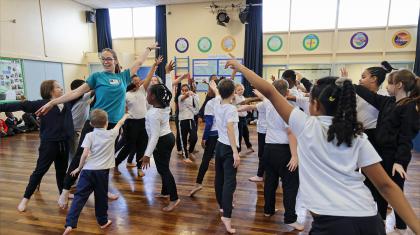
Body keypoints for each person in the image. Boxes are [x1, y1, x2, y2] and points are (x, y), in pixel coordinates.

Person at [225, 56, 420, 235]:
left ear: (315, 105)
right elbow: (386, 186)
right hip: (369, 220)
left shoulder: (305, 125)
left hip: (332, 224)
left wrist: (241, 67)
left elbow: (269, 90)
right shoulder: (357, 137)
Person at [36, 43, 159, 209]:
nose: (106, 61)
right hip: (94, 123)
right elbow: (76, 92)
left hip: (113, 125)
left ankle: (103, 189)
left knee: (107, 160)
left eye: (109, 58)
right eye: (103, 59)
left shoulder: (123, 77)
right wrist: (53, 102)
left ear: (115, 60)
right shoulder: (97, 77)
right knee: (81, 157)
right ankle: (65, 190)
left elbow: (138, 62)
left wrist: (149, 49)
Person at [353, 68, 420, 233]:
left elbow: (406, 138)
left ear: (399, 85)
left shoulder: (409, 107)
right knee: (380, 189)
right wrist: (350, 83)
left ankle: (402, 225)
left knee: (395, 191)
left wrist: (400, 161)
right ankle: (381, 219)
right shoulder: (389, 102)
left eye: (390, 83)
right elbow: (370, 96)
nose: (387, 86)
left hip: (395, 157)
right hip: (382, 154)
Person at [0, 80, 73, 212]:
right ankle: (25, 199)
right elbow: (17, 105)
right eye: (58, 87)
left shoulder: (66, 102)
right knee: (40, 171)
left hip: (64, 143)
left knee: (62, 171)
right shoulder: (40, 104)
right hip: (49, 144)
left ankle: (62, 193)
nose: (61, 89)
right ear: (50, 91)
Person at [63, 110, 129, 235]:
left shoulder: (89, 136)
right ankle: (103, 221)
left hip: (87, 172)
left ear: (92, 125)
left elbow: (84, 154)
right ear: (107, 122)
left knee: (79, 197)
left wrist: (78, 168)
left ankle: (70, 224)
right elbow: (119, 123)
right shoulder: (112, 134)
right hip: (101, 173)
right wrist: (125, 115)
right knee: (101, 197)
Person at [114, 56, 163, 177]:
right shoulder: (125, 94)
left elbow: (149, 77)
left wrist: (154, 66)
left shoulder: (142, 90)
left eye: (138, 81)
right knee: (129, 147)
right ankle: (116, 162)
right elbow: (122, 110)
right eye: (134, 82)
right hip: (131, 124)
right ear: (130, 83)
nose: (136, 83)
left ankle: (139, 168)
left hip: (143, 123)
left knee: (142, 146)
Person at [141, 83, 180, 212]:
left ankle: (174, 198)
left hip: (161, 141)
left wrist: (147, 155)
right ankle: (165, 192)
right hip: (168, 138)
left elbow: (154, 136)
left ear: (152, 96)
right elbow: (167, 88)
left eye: (147, 94)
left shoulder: (153, 114)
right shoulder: (165, 106)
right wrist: (168, 74)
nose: (146, 96)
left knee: (163, 170)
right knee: (164, 168)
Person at [208, 79, 240, 234]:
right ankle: (226, 217)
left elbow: (216, 93)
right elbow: (230, 129)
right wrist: (235, 152)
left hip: (219, 145)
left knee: (219, 178)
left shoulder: (216, 102)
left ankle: (222, 205)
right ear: (233, 93)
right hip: (228, 147)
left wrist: (215, 88)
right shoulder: (231, 109)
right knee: (229, 182)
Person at [189, 81, 218, 196]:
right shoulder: (226, 101)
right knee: (222, 164)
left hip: (213, 135)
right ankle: (225, 196)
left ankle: (198, 183)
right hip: (224, 136)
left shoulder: (211, 103)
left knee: (206, 159)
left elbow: (209, 123)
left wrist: (204, 138)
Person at [178, 84, 199, 163]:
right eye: (182, 90)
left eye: (186, 90)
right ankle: (185, 156)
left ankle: (190, 151)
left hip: (191, 119)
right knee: (183, 139)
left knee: (194, 138)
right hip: (182, 120)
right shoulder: (180, 97)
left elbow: (196, 106)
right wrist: (187, 93)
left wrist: (193, 94)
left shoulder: (192, 97)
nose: (184, 92)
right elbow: (184, 97)